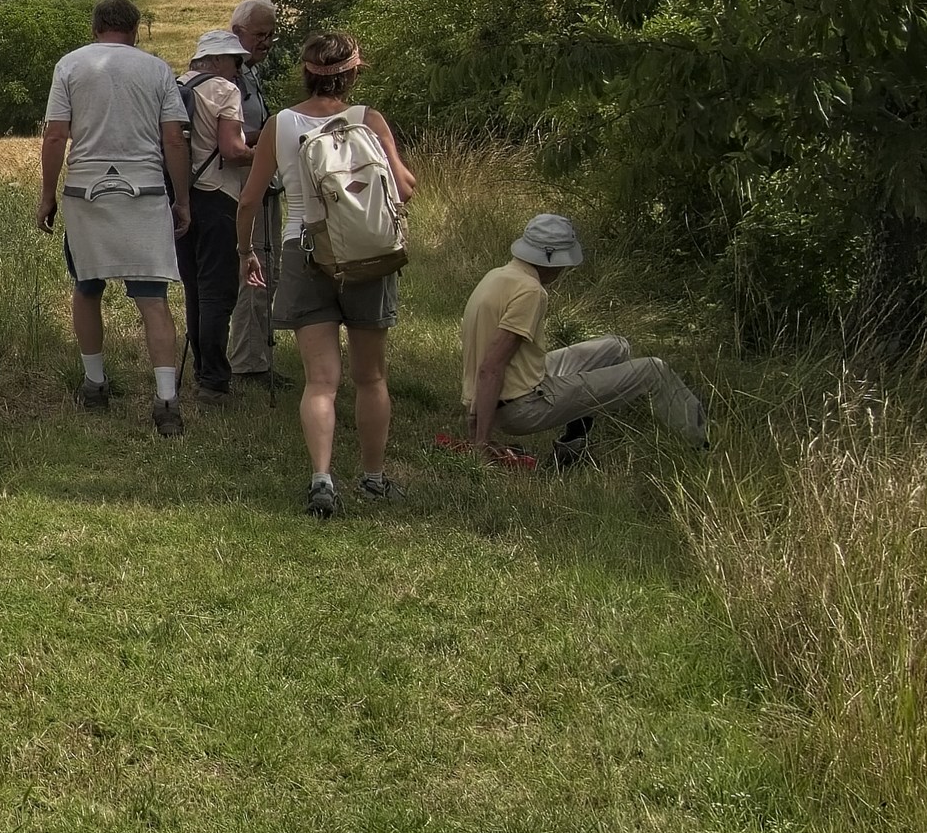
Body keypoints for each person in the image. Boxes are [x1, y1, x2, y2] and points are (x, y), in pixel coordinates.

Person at [237, 28, 414, 517]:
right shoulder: (368, 120)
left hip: (304, 249)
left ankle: (321, 479)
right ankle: (374, 479)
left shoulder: (280, 123)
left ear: (306, 72)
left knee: (320, 381)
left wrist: (245, 250)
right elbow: (403, 189)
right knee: (371, 376)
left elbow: (250, 197)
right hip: (367, 255)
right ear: (354, 72)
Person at [36, 0, 195, 436]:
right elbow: (175, 141)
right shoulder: (157, 69)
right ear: (135, 29)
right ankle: (166, 400)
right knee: (153, 300)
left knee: (87, 289)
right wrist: (181, 199)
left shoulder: (70, 65)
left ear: (94, 27)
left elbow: (55, 137)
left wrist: (47, 195)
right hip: (143, 190)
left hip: (86, 191)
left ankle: (95, 384)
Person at [463, 213, 710, 467]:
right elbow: (491, 366)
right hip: (521, 406)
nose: (564, 269)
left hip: (509, 389)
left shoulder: (498, 276)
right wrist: (480, 441)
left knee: (616, 346)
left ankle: (573, 444)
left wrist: (474, 412)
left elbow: (481, 357)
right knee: (653, 370)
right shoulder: (531, 291)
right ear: (551, 259)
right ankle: (703, 444)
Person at [176, 27, 255, 400]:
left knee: (193, 289)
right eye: (236, 61)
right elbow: (232, 149)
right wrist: (267, 152)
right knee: (217, 293)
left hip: (178, 198)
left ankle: (200, 370)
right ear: (219, 59)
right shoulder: (225, 90)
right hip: (217, 195)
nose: (238, 69)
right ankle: (214, 379)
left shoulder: (173, 86)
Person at [224, 0, 283, 396]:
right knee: (256, 271)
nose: (267, 42)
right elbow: (229, 139)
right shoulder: (228, 77)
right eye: (260, 34)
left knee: (269, 270)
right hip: (245, 186)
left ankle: (255, 355)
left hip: (261, 185)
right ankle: (247, 364)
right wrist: (278, 133)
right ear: (237, 33)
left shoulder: (250, 73)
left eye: (271, 35)